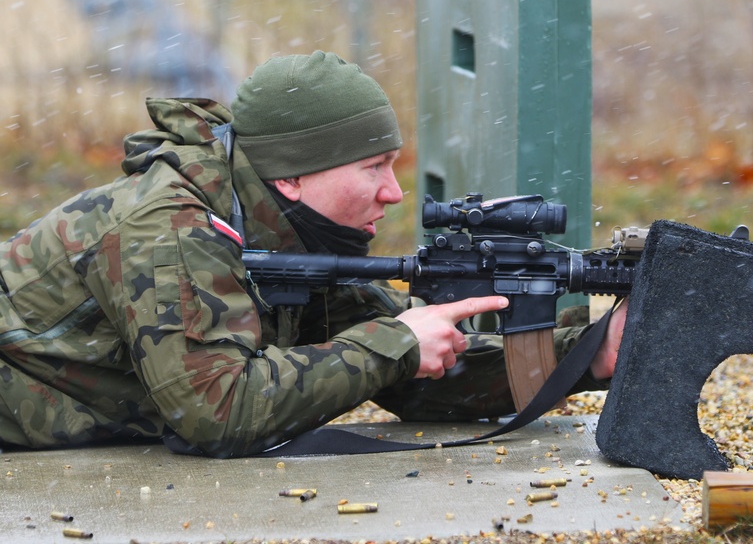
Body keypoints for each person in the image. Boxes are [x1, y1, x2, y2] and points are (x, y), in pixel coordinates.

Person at [0, 51, 628, 458]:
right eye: (372, 167)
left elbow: (409, 381)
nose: (394, 191)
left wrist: (592, 349)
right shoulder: (171, 228)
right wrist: (394, 343)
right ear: (294, 176)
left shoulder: (286, 226)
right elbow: (218, 413)